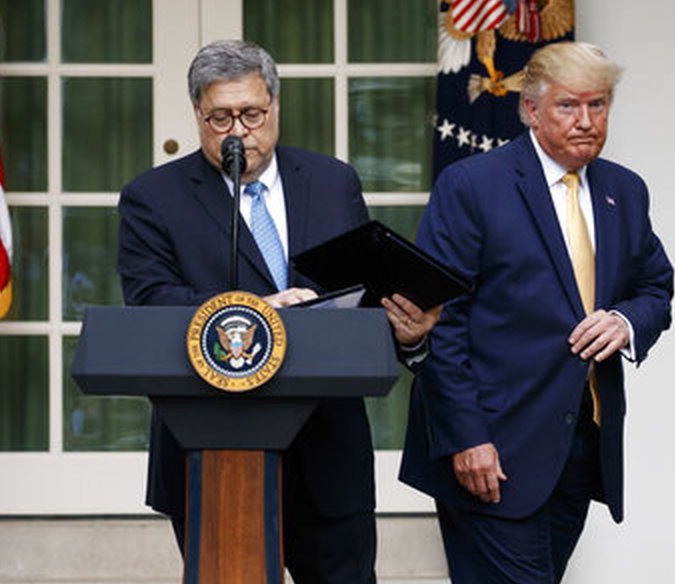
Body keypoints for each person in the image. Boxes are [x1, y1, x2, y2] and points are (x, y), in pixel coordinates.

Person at [118, 39, 441, 582]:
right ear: (197, 114)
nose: (238, 131)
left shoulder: (333, 181)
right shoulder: (153, 198)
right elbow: (150, 301)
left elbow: (361, 295)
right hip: (211, 454)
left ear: (275, 106)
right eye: (220, 117)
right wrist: (253, 310)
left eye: (251, 113)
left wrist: (408, 337)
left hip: (328, 453)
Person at [400, 42, 675, 582]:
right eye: (568, 106)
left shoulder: (625, 190)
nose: (586, 122)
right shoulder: (473, 186)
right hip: (490, 450)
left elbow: (655, 288)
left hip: (578, 447)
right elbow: (442, 321)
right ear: (531, 109)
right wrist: (467, 437)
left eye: (598, 106)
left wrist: (623, 322)